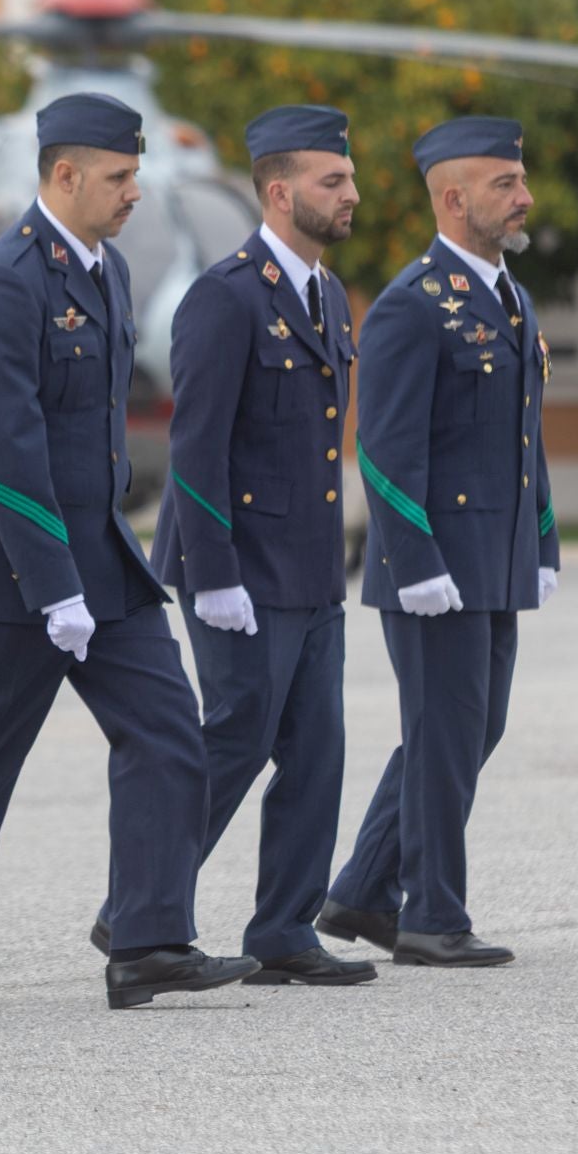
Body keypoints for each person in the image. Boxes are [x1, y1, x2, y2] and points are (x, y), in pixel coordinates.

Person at [0, 94, 259, 1010]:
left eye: (136, 173)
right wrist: (52, 588)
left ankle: (150, 941)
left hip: (102, 561)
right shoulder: (5, 283)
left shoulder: (107, 270)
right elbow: (4, 449)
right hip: (12, 571)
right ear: (65, 175)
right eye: (118, 177)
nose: (134, 192)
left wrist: (88, 573)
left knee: (168, 735)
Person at [131, 105, 376, 987]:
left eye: (348, 178)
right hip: (236, 568)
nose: (352, 193)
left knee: (317, 751)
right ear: (280, 191)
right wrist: (216, 575)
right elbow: (197, 444)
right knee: (234, 738)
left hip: (309, 568)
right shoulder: (227, 296)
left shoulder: (327, 297)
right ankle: (142, 912)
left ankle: (284, 929)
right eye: (332, 180)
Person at [318, 116, 559, 968]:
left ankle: (360, 892)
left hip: (494, 560)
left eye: (520, 181)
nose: (524, 196)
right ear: (454, 199)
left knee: (466, 731)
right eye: (506, 184)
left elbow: (522, 441)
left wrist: (545, 540)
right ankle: (433, 916)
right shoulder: (410, 306)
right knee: (447, 734)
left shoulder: (511, 298)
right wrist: (414, 563)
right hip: (435, 572)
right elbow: (380, 448)